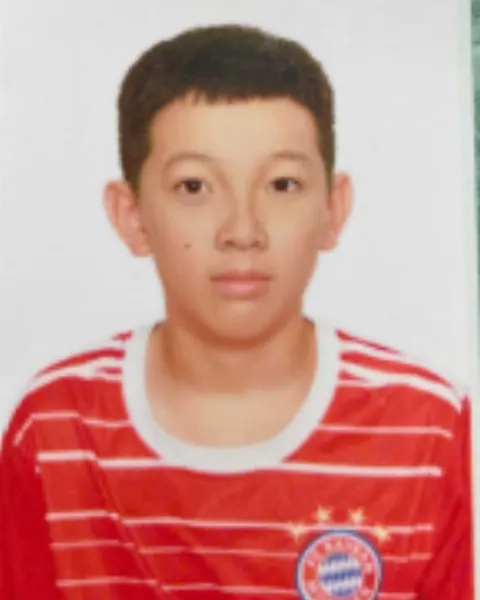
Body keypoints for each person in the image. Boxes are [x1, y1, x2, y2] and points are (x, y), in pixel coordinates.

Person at [0, 23, 473, 600]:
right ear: (132, 216)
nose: (242, 231)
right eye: (194, 187)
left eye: (282, 184)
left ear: (332, 209)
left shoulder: (431, 430)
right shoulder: (56, 428)